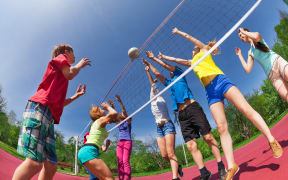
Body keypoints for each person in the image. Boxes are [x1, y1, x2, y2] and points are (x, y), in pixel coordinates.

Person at [158, 27, 283, 180]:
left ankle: (271, 139)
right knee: (222, 127)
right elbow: (177, 61)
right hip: (210, 92)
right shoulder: (191, 62)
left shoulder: (204, 51)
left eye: (194, 48)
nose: (192, 50)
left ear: (198, 48)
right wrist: (163, 57)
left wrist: (179, 32)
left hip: (220, 81)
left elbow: (190, 37)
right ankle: (231, 166)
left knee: (246, 109)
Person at [13, 44, 91, 180]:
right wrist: (79, 65)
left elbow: (60, 103)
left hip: (49, 117)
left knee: (51, 165)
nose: (75, 57)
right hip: (40, 109)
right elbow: (70, 73)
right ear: (67, 52)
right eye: (73, 54)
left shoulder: (60, 77)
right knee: (34, 162)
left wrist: (76, 96)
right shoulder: (61, 58)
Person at [143, 54, 226, 180]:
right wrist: (149, 65)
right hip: (182, 115)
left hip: (192, 108)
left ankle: (220, 165)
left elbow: (165, 65)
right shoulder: (169, 83)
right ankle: (204, 172)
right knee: (190, 145)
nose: (169, 71)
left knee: (208, 137)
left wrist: (154, 58)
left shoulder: (179, 73)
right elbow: (158, 74)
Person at [143, 63, 183, 180]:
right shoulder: (151, 99)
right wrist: (148, 74)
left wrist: (148, 71)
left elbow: (152, 83)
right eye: (153, 88)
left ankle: (175, 177)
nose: (153, 88)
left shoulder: (160, 97)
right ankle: (178, 166)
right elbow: (152, 85)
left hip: (167, 125)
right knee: (164, 155)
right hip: (158, 129)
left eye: (154, 88)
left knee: (171, 153)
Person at [236, 27, 288, 103]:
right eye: (239, 36)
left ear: (246, 31)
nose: (241, 37)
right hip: (272, 75)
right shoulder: (250, 52)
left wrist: (243, 32)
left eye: (241, 35)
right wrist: (239, 55)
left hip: (277, 62)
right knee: (286, 95)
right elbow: (247, 70)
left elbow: (256, 36)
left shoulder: (256, 37)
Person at [78, 103, 117, 180]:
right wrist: (108, 107)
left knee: (100, 178)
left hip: (88, 151)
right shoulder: (100, 120)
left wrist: (107, 145)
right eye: (101, 109)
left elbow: (112, 118)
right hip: (89, 151)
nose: (103, 109)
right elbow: (114, 113)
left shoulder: (98, 123)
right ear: (98, 114)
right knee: (110, 178)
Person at [109, 95, 132, 180]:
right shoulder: (119, 123)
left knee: (125, 161)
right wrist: (112, 105)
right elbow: (115, 115)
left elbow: (124, 111)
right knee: (120, 162)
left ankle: (127, 178)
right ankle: (120, 178)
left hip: (127, 142)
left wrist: (120, 102)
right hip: (120, 143)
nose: (121, 114)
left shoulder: (128, 122)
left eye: (123, 114)